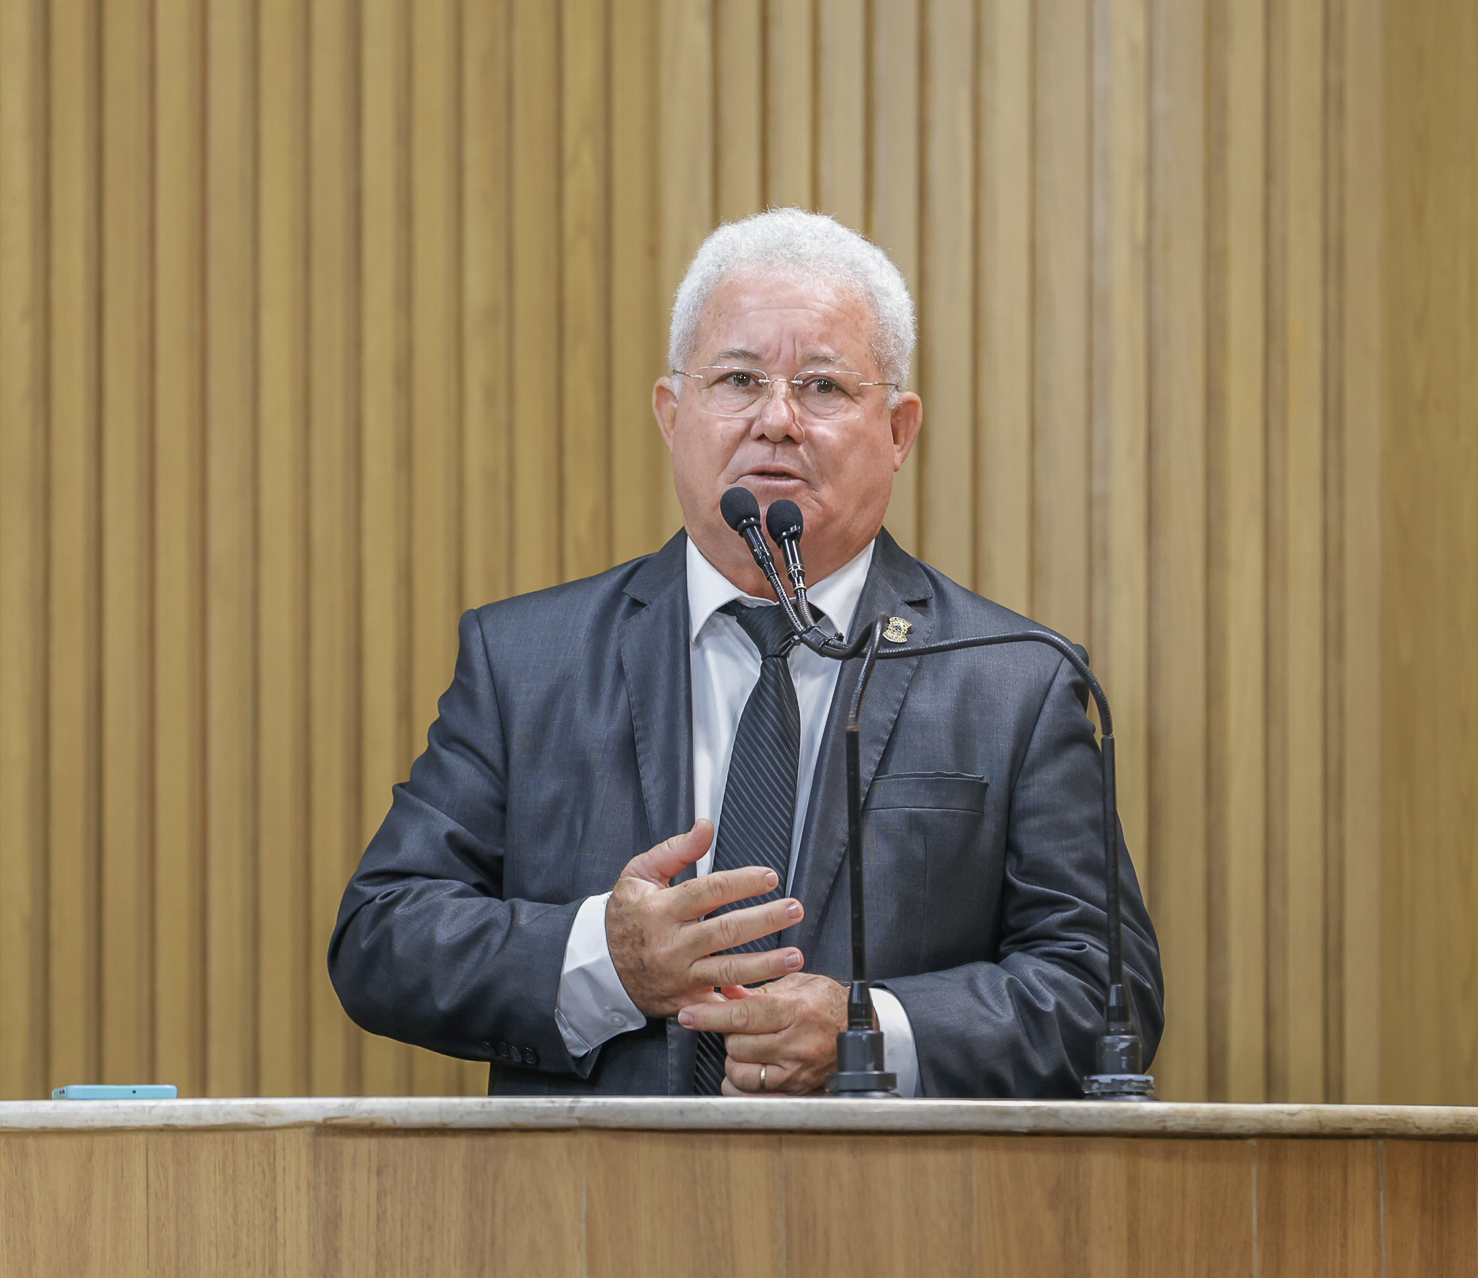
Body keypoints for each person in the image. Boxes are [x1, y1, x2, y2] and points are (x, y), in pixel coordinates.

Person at [329, 208, 1163, 1097]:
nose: (777, 420)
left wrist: (868, 1031)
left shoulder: (1015, 679)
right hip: (594, 1187)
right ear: (671, 413)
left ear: (899, 430)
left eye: (824, 387)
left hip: (889, 1186)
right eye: (737, 379)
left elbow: (1104, 993)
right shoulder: (525, 661)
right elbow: (382, 935)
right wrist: (606, 961)